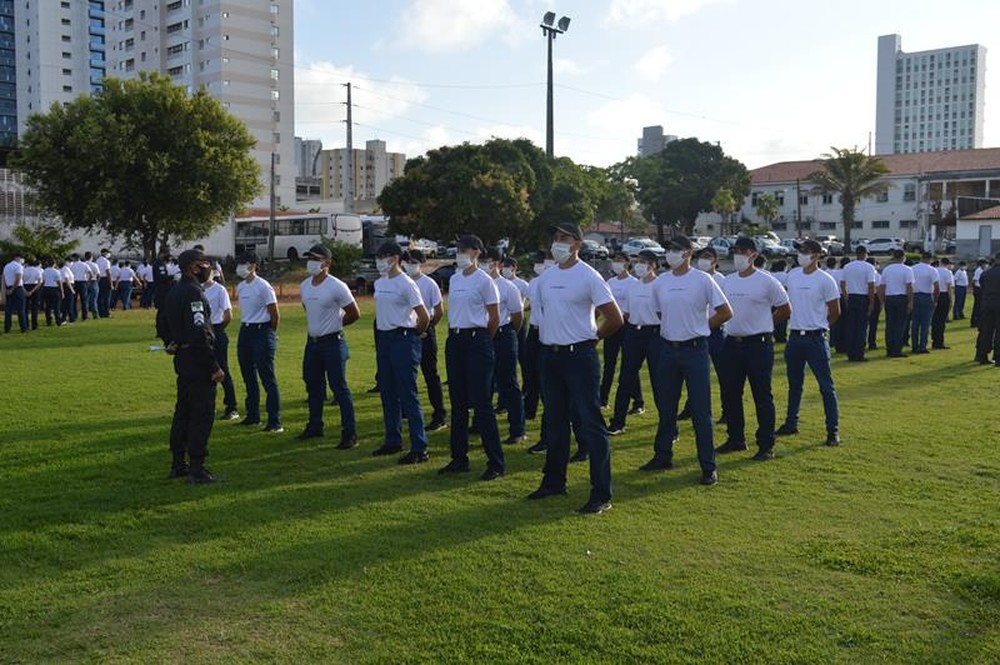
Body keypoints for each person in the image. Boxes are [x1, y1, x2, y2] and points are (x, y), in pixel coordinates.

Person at [529, 222, 623, 514]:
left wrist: (593, 337)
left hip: (579, 356)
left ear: (577, 245)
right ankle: (554, 481)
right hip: (551, 355)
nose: (557, 243)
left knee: (591, 425)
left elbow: (615, 317)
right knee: (555, 422)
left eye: (564, 239)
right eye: (555, 238)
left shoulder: (589, 276)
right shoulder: (546, 278)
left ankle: (601, 493)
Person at [648, 235, 732, 485]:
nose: (670, 254)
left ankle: (708, 465)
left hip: (694, 350)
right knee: (666, 407)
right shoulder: (661, 282)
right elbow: (660, 311)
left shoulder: (702, 280)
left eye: (676, 250)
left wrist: (701, 327)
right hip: (668, 349)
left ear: (688, 253)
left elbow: (725, 312)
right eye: (669, 249)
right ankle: (663, 455)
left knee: (700, 410)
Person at [438, 235, 506, 480]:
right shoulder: (455, 279)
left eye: (465, 249)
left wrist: (481, 339)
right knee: (457, 403)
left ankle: (496, 462)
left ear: (477, 252)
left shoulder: (485, 281)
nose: (460, 253)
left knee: (481, 403)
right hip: (455, 339)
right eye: (458, 249)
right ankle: (459, 458)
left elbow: (494, 318)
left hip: (477, 339)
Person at [718, 237, 790, 461]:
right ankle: (736, 438)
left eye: (743, 251)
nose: (739, 254)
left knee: (762, 395)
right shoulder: (727, 281)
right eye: (736, 250)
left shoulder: (766, 281)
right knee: (730, 394)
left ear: (754, 255)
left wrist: (766, 324)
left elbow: (785, 308)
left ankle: (766, 444)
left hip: (758, 344)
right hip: (732, 342)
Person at [158, 248, 225, 484]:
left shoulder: (174, 291)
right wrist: (213, 366)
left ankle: (178, 463)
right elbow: (200, 333)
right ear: (194, 267)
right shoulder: (195, 293)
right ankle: (197, 468)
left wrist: (170, 342)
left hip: (182, 359)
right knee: (201, 415)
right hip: (198, 361)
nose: (208, 268)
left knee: (183, 412)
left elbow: (162, 321)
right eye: (204, 264)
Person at [775, 239, 842, 446]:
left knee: (825, 386)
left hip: (815, 338)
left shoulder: (825, 280)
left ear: (816, 255)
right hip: (795, 337)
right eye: (800, 251)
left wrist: (821, 327)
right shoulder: (793, 275)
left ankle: (833, 431)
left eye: (804, 251)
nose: (800, 255)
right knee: (794, 385)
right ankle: (791, 422)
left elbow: (835, 311)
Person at [371, 240, 431, 464]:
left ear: (394, 258)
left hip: (403, 337)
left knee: (408, 393)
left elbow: (423, 316)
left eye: (382, 257)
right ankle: (393, 439)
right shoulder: (380, 283)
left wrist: (414, 334)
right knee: (388, 392)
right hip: (384, 338)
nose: (380, 262)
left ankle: (419, 446)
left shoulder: (407, 284)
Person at [298, 243, 360, 448]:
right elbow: (308, 308)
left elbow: (354, 313)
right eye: (310, 259)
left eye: (316, 259)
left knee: (339, 388)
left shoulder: (336, 285)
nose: (311, 263)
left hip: (333, 342)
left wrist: (335, 325)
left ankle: (349, 433)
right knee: (313, 385)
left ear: (327, 263)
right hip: (313, 343)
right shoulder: (305, 285)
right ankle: (315, 425)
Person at [607, 249, 661, 436]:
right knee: (625, 378)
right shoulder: (633, 287)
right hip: (633, 332)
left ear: (653, 265)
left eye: (644, 262)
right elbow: (627, 313)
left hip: (654, 333)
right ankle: (618, 422)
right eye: (638, 261)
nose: (639, 265)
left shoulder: (660, 285)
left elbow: (664, 313)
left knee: (659, 382)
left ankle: (669, 427)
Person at [235, 253, 283, 433]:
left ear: (253, 266)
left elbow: (274, 313)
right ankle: (253, 415)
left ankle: (274, 421)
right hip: (245, 330)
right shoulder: (240, 286)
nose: (240, 268)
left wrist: (270, 334)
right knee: (248, 375)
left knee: (267, 377)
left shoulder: (263, 286)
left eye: (244, 264)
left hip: (262, 331)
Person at [484, 246, 526, 444]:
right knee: (483, 382)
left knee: (508, 383)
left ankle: (517, 429)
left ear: (499, 264)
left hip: (503, 335)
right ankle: (480, 423)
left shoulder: (509, 287)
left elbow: (518, 317)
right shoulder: (476, 283)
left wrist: (508, 333)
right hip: (481, 336)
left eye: (489, 260)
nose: (485, 264)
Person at [402, 250, 447, 431]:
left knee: (430, 373)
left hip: (425, 330)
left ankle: (439, 414)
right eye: (408, 262)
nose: (410, 265)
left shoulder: (429, 284)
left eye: (414, 262)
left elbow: (439, 310)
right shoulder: (402, 281)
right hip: (405, 329)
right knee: (405, 374)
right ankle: (406, 410)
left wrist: (428, 326)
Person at [600, 251, 643, 412]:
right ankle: (603, 398)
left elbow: (635, 304)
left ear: (627, 263)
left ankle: (638, 402)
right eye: (614, 260)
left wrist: (625, 315)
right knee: (609, 364)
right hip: (612, 326)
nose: (616, 263)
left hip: (627, 326)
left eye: (619, 260)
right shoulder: (610, 282)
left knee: (630, 365)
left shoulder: (634, 283)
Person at [202, 267, 240, 422]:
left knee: (222, 369)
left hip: (216, 329)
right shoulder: (197, 289)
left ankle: (232, 406)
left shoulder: (220, 290)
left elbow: (228, 314)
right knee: (204, 370)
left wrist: (217, 330)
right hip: (202, 332)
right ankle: (207, 405)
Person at [840, 246, 877, 362]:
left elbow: (842, 284)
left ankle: (850, 353)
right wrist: (871, 302)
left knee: (851, 326)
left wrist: (846, 297)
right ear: (865, 254)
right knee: (861, 327)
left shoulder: (848, 266)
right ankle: (859, 353)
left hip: (852, 297)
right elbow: (871, 286)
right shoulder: (869, 267)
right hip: (863, 297)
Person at [879, 250, 914, 358]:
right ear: (903, 257)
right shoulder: (907, 270)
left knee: (890, 325)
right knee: (900, 325)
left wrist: (883, 300)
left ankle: (889, 349)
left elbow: (882, 287)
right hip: (901, 298)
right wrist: (911, 301)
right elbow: (909, 287)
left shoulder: (887, 269)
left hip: (889, 297)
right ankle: (897, 349)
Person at [910, 252, 940, 354]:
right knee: (925, 323)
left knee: (915, 323)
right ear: (930, 259)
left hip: (915, 296)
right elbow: (937, 287)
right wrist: (935, 300)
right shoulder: (932, 270)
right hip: (927, 296)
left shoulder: (912, 268)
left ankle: (914, 345)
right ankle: (922, 346)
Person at [974, 254, 1000, 365]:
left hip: (987, 303)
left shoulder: (986, 273)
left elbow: (982, 286)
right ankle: (998, 357)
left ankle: (982, 355)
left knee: (985, 330)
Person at [931, 257, 955, 350]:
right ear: (948, 264)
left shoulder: (935, 270)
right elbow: (949, 286)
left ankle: (934, 340)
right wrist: (951, 299)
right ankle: (939, 342)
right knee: (941, 320)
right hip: (944, 295)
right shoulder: (948, 272)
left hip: (934, 294)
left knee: (934, 319)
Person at [3, 253, 26, 334]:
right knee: (21, 309)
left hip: (8, 287)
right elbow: (18, 278)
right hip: (17, 288)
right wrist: (13, 289)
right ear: (18, 258)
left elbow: (4, 278)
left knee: (8, 310)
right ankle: (23, 328)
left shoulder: (6, 266)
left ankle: (7, 328)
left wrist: (6, 289)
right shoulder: (18, 266)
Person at [41, 257, 64, 327]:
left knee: (48, 306)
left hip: (46, 288)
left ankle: (48, 321)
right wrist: (62, 292)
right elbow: (59, 282)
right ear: (54, 264)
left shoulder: (44, 271)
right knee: (56, 306)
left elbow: (43, 281)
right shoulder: (56, 271)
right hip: (54, 289)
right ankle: (58, 321)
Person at [771, 259, 790, 343]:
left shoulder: (771, 275)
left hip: (771, 301)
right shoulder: (786, 276)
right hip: (782, 300)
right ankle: (781, 337)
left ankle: (773, 335)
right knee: (782, 320)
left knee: (773, 319)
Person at [69, 253, 92, 321]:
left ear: (74, 258)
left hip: (74, 283)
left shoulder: (72, 265)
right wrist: (88, 281)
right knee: (84, 300)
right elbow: (90, 274)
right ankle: (85, 316)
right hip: (83, 282)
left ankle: (74, 315)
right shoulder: (84, 264)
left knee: (74, 300)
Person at [866, 257, 882, 351]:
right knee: (873, 322)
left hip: (864, 295)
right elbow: (879, 289)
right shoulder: (878, 276)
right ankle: (872, 342)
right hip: (875, 296)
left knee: (863, 322)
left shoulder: (864, 273)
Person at [22, 258, 43, 331]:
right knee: (35, 308)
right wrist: (32, 291)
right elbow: (40, 282)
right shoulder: (37, 270)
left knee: (25, 308)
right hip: (34, 287)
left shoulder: (23, 270)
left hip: (25, 287)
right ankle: (34, 325)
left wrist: (25, 291)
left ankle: (26, 325)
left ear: (27, 264)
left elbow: (20, 282)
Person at [96, 248, 113, 317]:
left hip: (99, 279)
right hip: (105, 279)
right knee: (107, 297)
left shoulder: (97, 260)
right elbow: (108, 272)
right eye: (108, 253)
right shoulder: (106, 261)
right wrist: (111, 283)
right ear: (105, 253)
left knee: (100, 297)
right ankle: (107, 312)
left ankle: (101, 312)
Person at [971, 258, 988, 328]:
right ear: (982, 264)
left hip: (980, 289)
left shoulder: (983, 270)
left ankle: (978, 321)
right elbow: (974, 281)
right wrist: (975, 290)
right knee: (977, 306)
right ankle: (974, 322)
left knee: (980, 306)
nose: (986, 265)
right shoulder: (979, 271)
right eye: (985, 264)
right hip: (978, 289)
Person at [59, 258, 76, 323]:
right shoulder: (65, 269)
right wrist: (71, 289)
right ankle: (71, 319)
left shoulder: (67, 269)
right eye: (70, 262)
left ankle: (64, 318)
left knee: (65, 304)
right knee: (69, 303)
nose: (72, 263)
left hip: (67, 286)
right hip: (67, 286)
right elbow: (66, 279)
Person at [84, 252, 100, 318]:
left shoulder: (83, 264)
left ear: (85, 257)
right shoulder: (94, 265)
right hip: (93, 282)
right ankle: (95, 315)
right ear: (91, 257)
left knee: (86, 300)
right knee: (94, 300)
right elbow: (98, 274)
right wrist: (97, 281)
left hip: (85, 282)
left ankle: (86, 314)